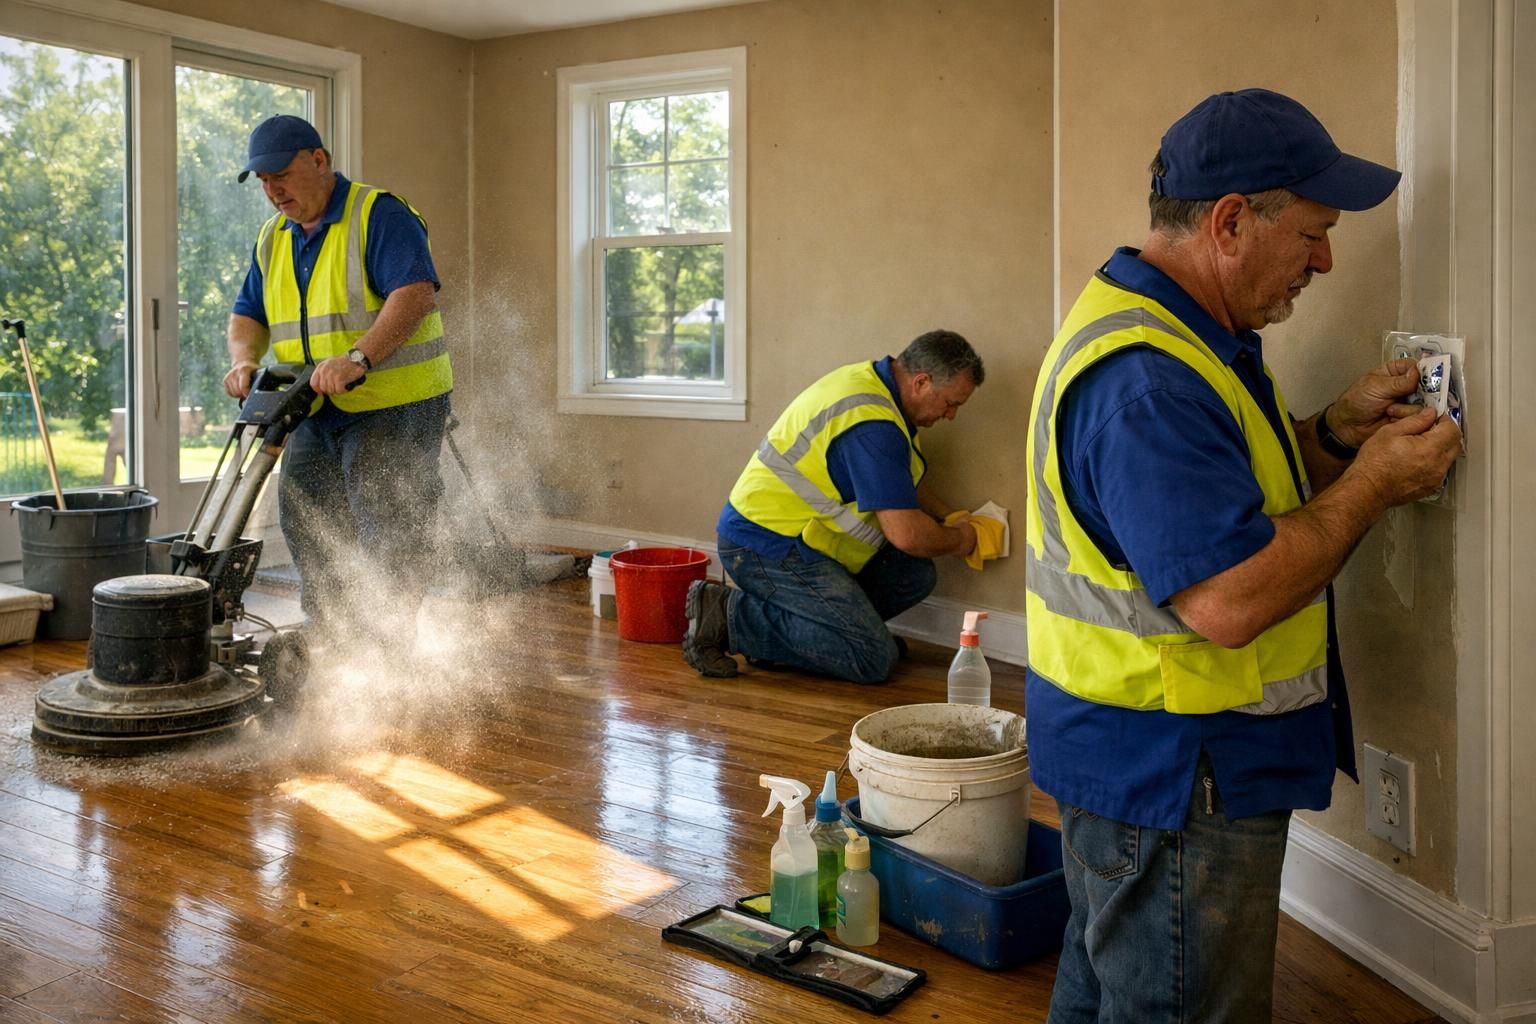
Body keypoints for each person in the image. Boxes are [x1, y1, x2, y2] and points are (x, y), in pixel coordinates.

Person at [1025, 88, 1462, 1023]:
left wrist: (1335, 438)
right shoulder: (1148, 380)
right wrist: (1375, 485)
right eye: (1311, 232)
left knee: (1108, 992)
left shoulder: (1184, 336)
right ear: (1230, 222)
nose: (1326, 260)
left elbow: (1214, 504)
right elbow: (1227, 599)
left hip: (1139, 764)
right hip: (1177, 778)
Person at [224, 114, 453, 640]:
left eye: (280, 175)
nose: (272, 190)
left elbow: (415, 293)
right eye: (262, 182)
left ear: (319, 161)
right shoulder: (272, 238)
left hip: (394, 404)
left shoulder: (378, 214)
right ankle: (332, 642)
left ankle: (389, 655)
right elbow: (247, 315)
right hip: (311, 408)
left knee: (389, 532)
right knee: (309, 522)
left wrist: (360, 357)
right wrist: (243, 360)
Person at [685, 329, 1003, 683]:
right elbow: (907, 535)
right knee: (873, 658)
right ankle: (728, 615)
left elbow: (898, 480)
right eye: (950, 403)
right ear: (922, 382)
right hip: (764, 545)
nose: (952, 415)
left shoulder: (876, 388)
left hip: (803, 542)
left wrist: (949, 516)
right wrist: (964, 540)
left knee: (914, 575)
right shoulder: (873, 425)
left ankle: (826, 639)